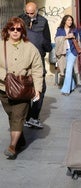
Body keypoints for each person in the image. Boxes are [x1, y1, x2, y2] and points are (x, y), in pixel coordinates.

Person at [0, 17, 43, 159]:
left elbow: (37, 69)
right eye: (12, 29)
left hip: (23, 89)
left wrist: (38, 89)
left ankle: (12, 146)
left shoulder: (30, 48)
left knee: (18, 117)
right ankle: (20, 139)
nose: (15, 32)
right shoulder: (1, 45)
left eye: (18, 29)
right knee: (12, 115)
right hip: (4, 89)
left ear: (22, 31)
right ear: (7, 30)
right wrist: (5, 76)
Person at [19, 2, 52, 128]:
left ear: (37, 11)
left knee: (41, 88)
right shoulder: (19, 19)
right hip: (22, 61)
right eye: (27, 13)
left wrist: (43, 47)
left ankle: (33, 116)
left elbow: (47, 42)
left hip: (38, 60)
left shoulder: (43, 22)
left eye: (32, 13)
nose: (29, 15)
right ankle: (27, 116)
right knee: (25, 88)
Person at [55, 15, 79, 96]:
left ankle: (65, 90)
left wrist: (73, 36)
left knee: (68, 70)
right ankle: (72, 86)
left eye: (71, 20)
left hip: (72, 51)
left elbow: (77, 40)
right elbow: (56, 40)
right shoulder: (60, 29)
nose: (70, 22)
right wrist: (65, 37)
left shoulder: (74, 29)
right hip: (64, 51)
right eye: (68, 20)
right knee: (68, 70)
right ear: (64, 21)